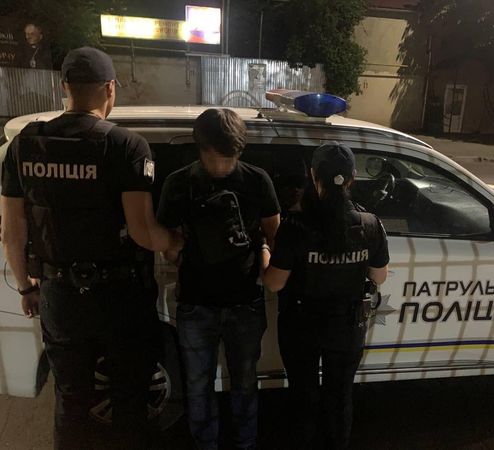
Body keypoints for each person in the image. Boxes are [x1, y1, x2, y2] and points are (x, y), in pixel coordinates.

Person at [1, 46, 183, 450]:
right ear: (110, 88)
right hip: (121, 298)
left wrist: (27, 287)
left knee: (71, 402)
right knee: (129, 399)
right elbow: (143, 233)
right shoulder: (126, 146)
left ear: (63, 86)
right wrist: (176, 242)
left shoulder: (25, 145)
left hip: (60, 295)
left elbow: (11, 231)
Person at [157, 108, 280, 450]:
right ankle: (205, 444)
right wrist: (179, 253)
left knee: (246, 381)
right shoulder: (178, 183)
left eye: (232, 157)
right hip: (196, 304)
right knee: (198, 384)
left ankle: (245, 443)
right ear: (200, 148)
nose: (224, 165)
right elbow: (165, 243)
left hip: (246, 302)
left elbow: (275, 234)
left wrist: (266, 260)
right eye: (216, 157)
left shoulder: (257, 180)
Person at [263, 142, 389, 450]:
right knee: (340, 397)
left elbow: (274, 284)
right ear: (352, 178)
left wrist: (265, 250)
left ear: (313, 175)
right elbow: (379, 276)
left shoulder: (295, 226)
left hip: (301, 328)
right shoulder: (369, 224)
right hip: (347, 327)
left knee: (303, 396)